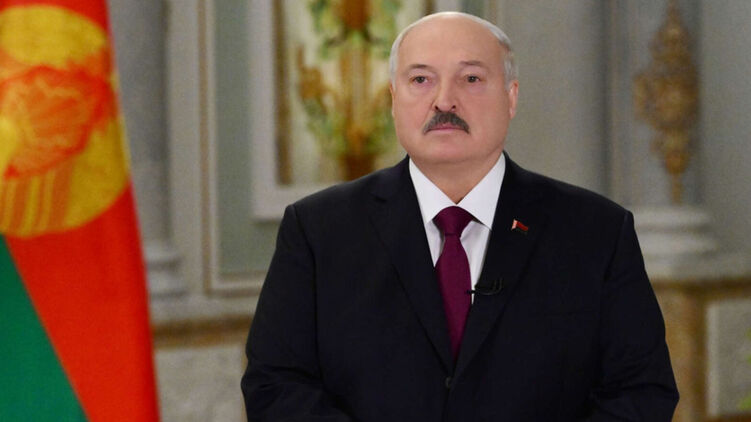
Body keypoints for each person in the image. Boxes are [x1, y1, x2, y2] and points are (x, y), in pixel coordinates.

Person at [242, 11, 679, 422]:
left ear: (511, 97)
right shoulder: (318, 231)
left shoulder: (596, 232)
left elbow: (641, 390)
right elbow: (276, 385)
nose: (444, 100)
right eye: (420, 79)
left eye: (471, 78)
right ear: (393, 99)